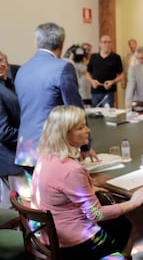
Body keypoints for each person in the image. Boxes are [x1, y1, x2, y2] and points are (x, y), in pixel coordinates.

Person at [31, 105, 143, 259]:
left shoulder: (45, 157)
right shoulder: (72, 170)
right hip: (73, 244)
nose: (88, 130)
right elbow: (96, 214)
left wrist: (91, 186)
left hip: (48, 237)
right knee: (125, 226)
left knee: (116, 220)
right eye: (81, 127)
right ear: (64, 135)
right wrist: (133, 203)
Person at [15, 22, 98, 171]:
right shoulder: (63, 68)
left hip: (25, 150)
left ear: (36, 42)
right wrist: (86, 145)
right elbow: (75, 110)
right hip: (52, 151)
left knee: (34, 194)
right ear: (61, 43)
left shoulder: (22, 70)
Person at [0, 51, 24, 179]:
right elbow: (3, 132)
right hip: (9, 161)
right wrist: (30, 135)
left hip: (20, 153)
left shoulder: (12, 85)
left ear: (7, 63)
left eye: (0, 60)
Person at [86, 35, 124, 107]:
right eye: (105, 42)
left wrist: (112, 82)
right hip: (95, 92)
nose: (107, 44)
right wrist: (92, 81)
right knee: (95, 115)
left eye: (109, 42)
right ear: (100, 44)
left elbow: (121, 75)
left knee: (108, 115)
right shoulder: (93, 56)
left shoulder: (116, 57)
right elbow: (87, 73)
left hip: (109, 93)